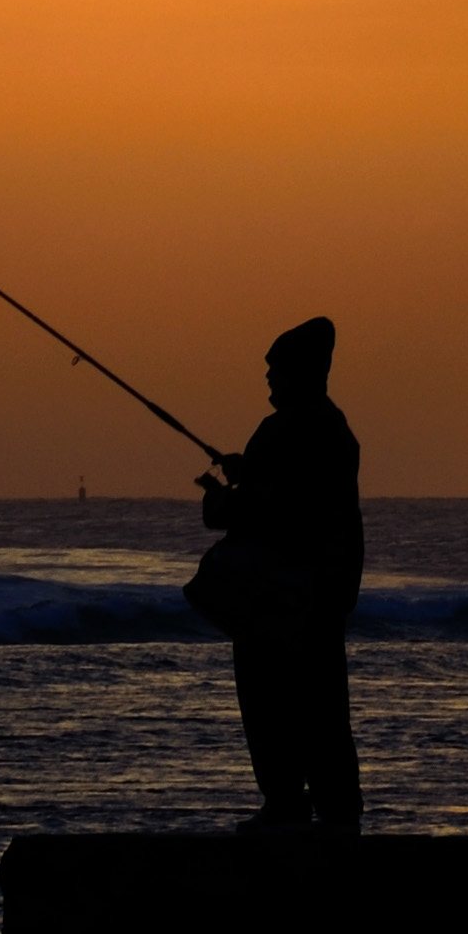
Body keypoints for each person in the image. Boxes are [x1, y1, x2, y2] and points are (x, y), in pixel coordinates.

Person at [186, 315, 363, 832]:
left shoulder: (283, 428)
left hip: (277, 597)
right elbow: (297, 491)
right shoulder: (333, 426)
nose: (267, 379)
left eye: (275, 370)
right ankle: (339, 812)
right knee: (324, 706)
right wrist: (251, 470)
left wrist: (219, 501)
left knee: (268, 701)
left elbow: (266, 511)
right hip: (327, 589)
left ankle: (285, 805)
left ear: (297, 372)